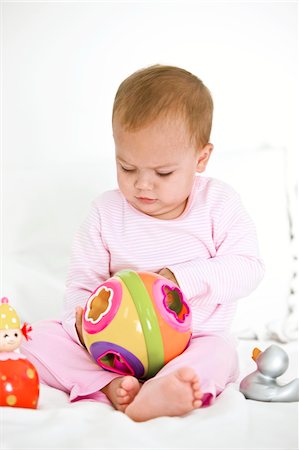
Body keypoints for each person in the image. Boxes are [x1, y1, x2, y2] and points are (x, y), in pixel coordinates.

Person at [21, 64, 264, 421]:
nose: (142, 185)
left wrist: (179, 279)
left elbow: (248, 268)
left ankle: (166, 388)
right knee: (36, 337)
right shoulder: (105, 212)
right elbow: (82, 283)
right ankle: (108, 386)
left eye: (163, 173)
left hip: (192, 342)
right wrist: (83, 323)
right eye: (127, 168)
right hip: (113, 350)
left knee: (221, 355)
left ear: (201, 158)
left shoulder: (218, 204)